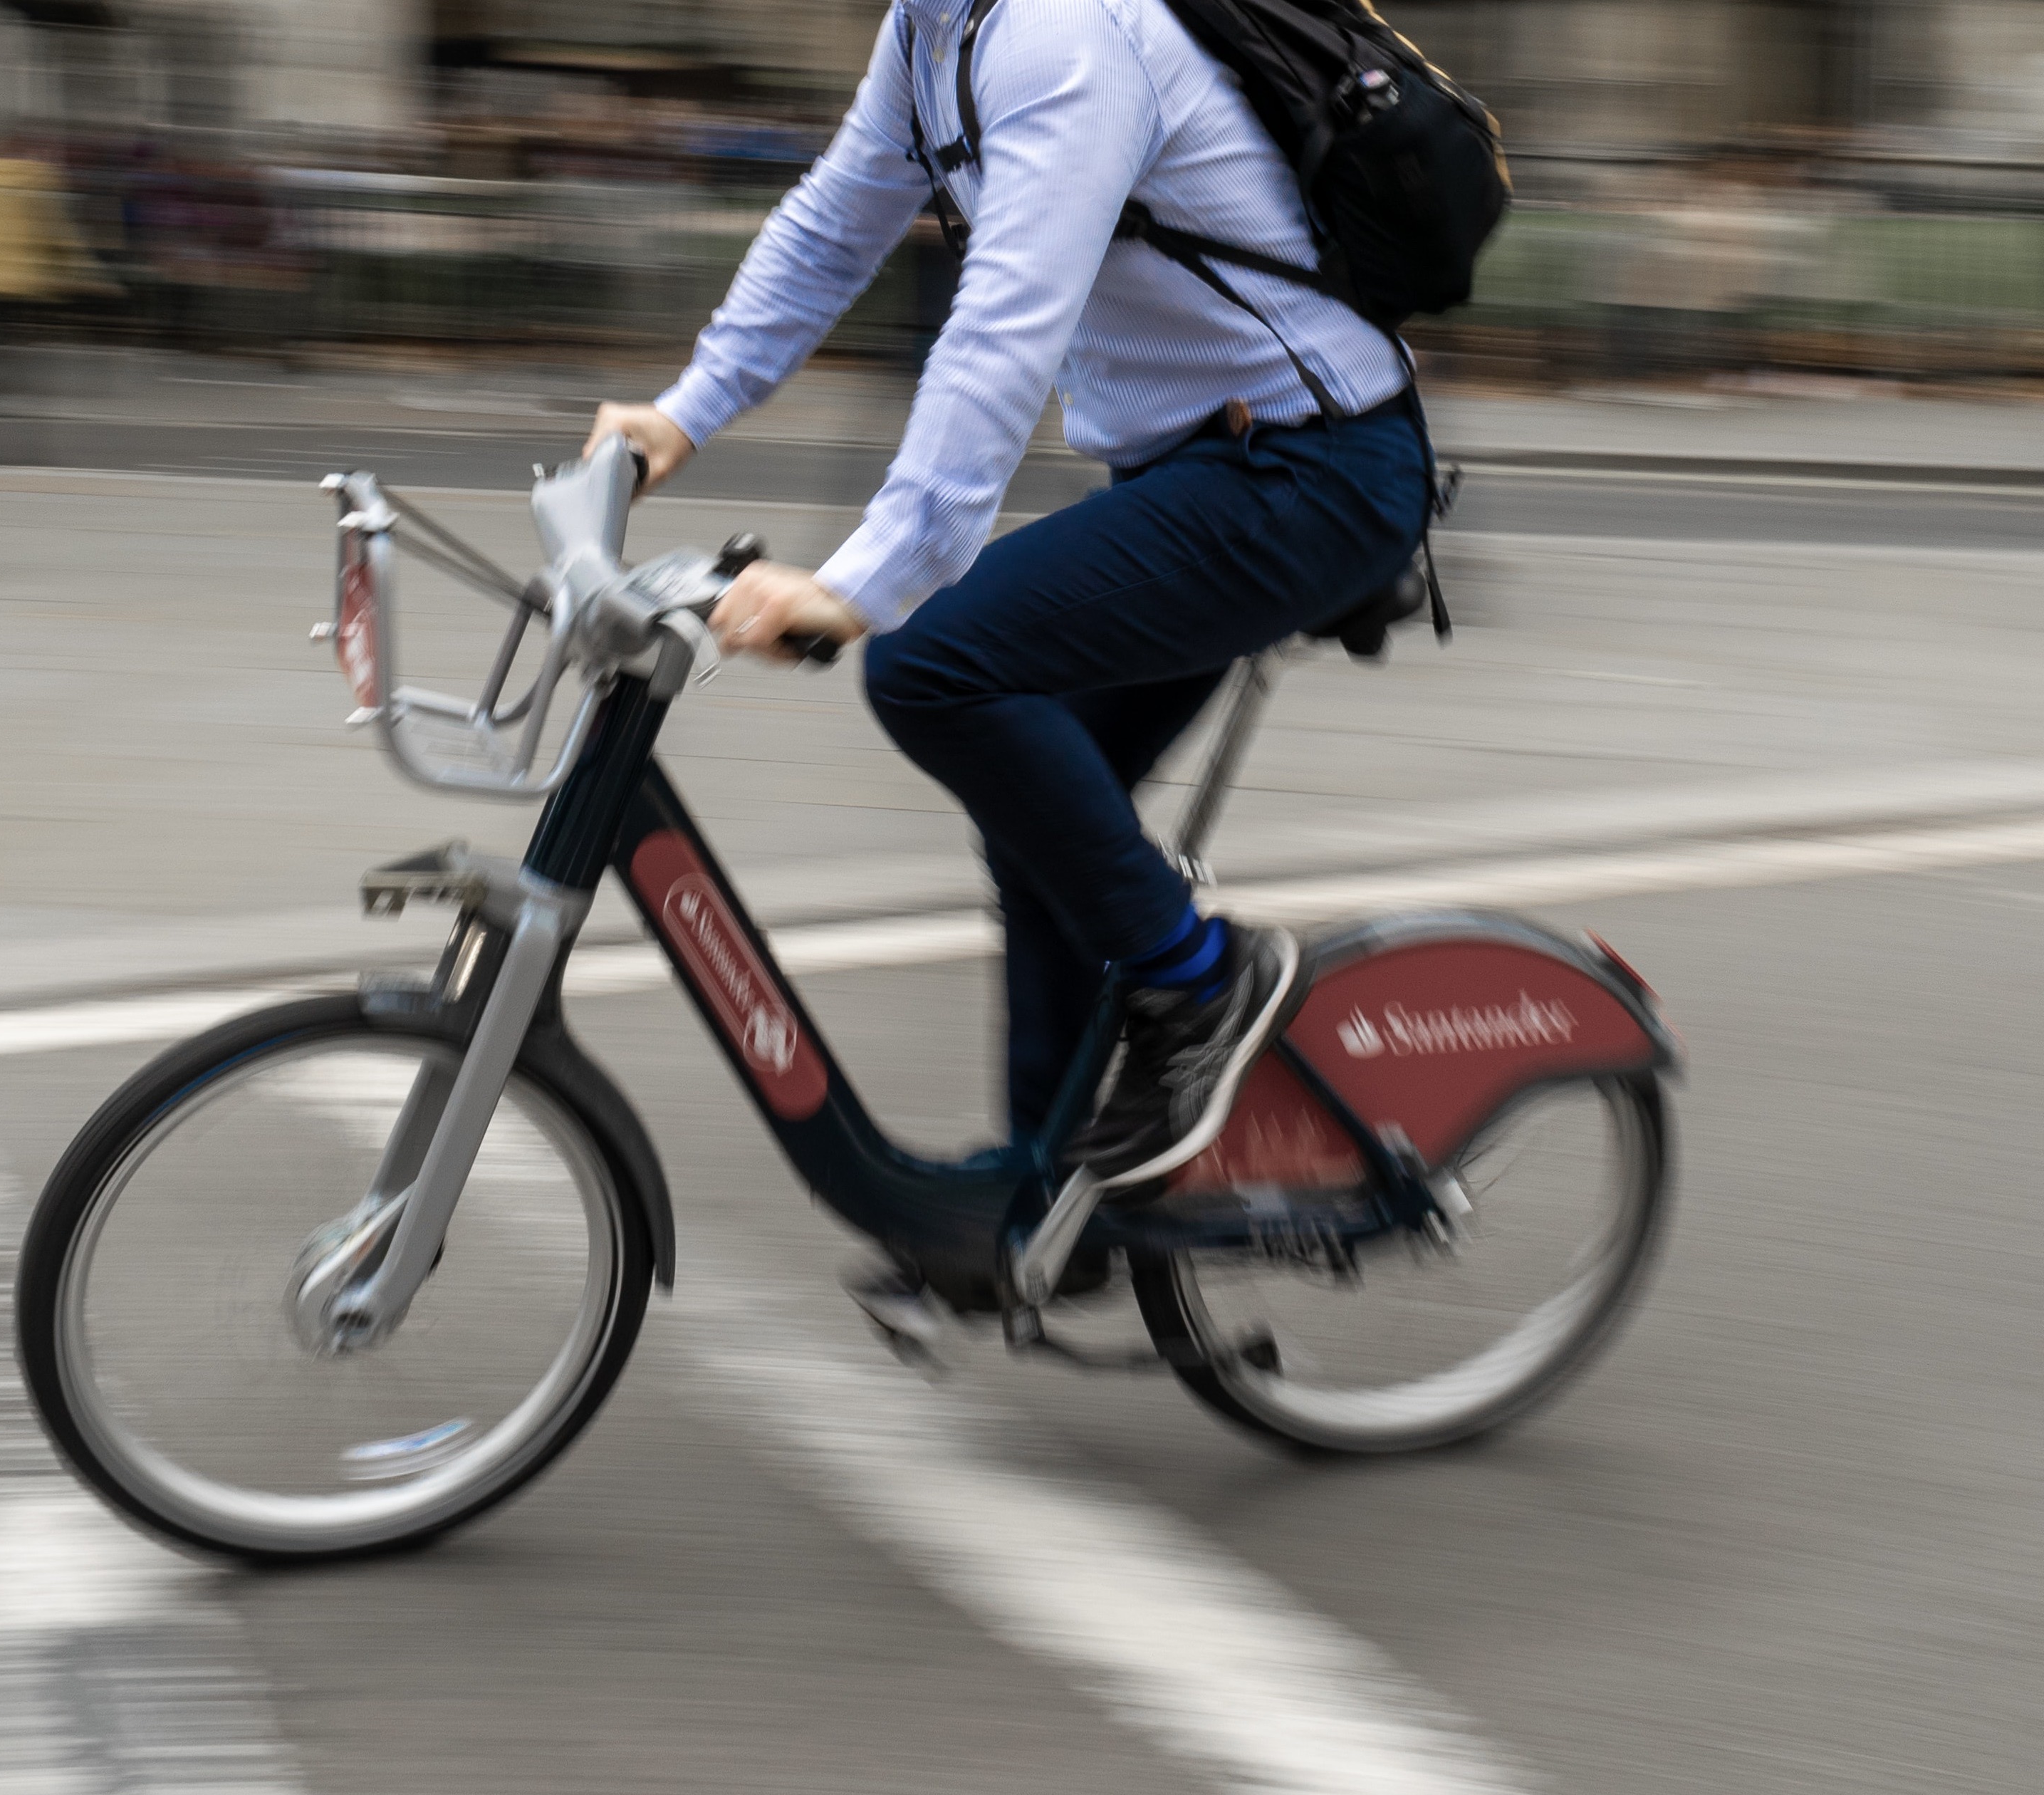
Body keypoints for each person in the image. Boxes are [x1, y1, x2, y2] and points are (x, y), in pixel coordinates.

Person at [586, 0, 1432, 1191]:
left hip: (1313, 470)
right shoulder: (930, 33)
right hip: (1207, 472)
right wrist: (686, 409)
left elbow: (1004, 327)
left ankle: (1202, 982)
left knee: (935, 667)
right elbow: (835, 225)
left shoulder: (1067, 38)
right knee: (1044, 812)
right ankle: (1054, 1192)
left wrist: (863, 583)